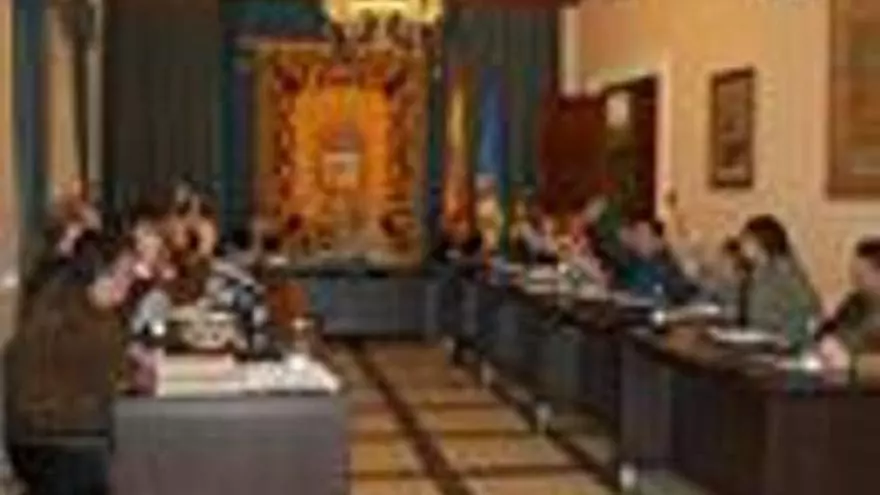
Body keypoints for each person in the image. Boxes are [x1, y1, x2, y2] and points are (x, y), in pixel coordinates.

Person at [5, 233, 138, 495]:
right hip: (61, 442)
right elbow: (115, 375)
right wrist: (136, 368)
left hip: (31, 440)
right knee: (143, 448)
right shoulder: (78, 321)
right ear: (99, 275)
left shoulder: (63, 297)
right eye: (125, 274)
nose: (130, 281)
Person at [738, 215, 821, 346]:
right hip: (759, 340)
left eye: (746, 240)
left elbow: (806, 312)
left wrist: (787, 339)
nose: (742, 245)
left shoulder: (785, 272)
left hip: (781, 345)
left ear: (762, 242)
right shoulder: (755, 271)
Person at [816, 238, 880, 368]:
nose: (855, 281)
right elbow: (824, 335)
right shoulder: (856, 300)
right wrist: (827, 322)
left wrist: (852, 363)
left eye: (861, 275)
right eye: (853, 273)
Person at [613, 215, 698, 304]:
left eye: (642, 235)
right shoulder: (633, 264)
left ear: (657, 241)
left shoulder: (666, 267)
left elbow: (667, 296)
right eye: (637, 234)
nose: (637, 240)